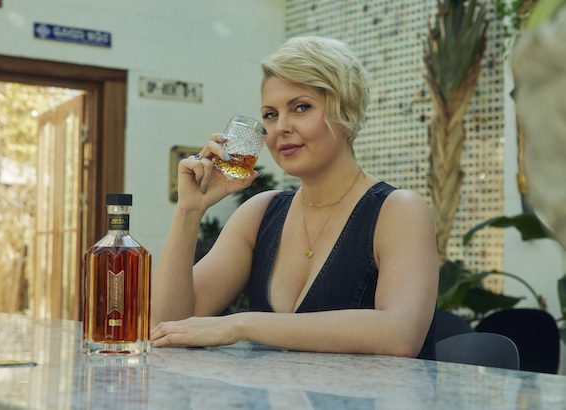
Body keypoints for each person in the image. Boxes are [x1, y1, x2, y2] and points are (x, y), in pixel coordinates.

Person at [151, 36, 438, 359]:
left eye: (301, 107)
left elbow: (399, 335)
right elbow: (167, 326)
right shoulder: (260, 213)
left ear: (346, 111)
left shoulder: (398, 211)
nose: (280, 128)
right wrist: (190, 209)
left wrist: (242, 325)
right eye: (270, 115)